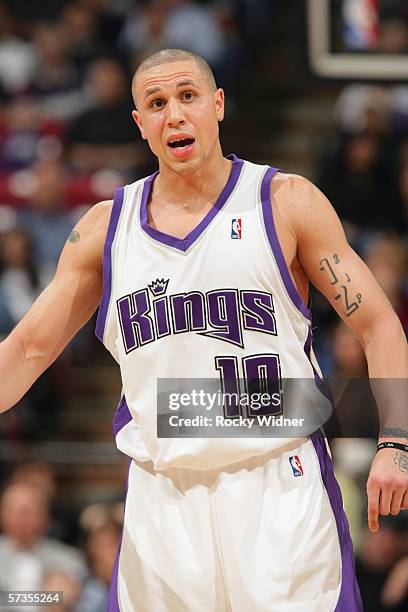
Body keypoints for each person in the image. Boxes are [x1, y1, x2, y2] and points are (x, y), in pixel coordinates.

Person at [0, 47, 408, 611]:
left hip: (278, 485)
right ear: (139, 124)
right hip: (162, 498)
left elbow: (380, 324)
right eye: (156, 103)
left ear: (217, 105)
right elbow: (24, 349)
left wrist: (397, 442)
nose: (174, 114)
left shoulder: (283, 202)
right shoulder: (103, 230)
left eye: (188, 96)